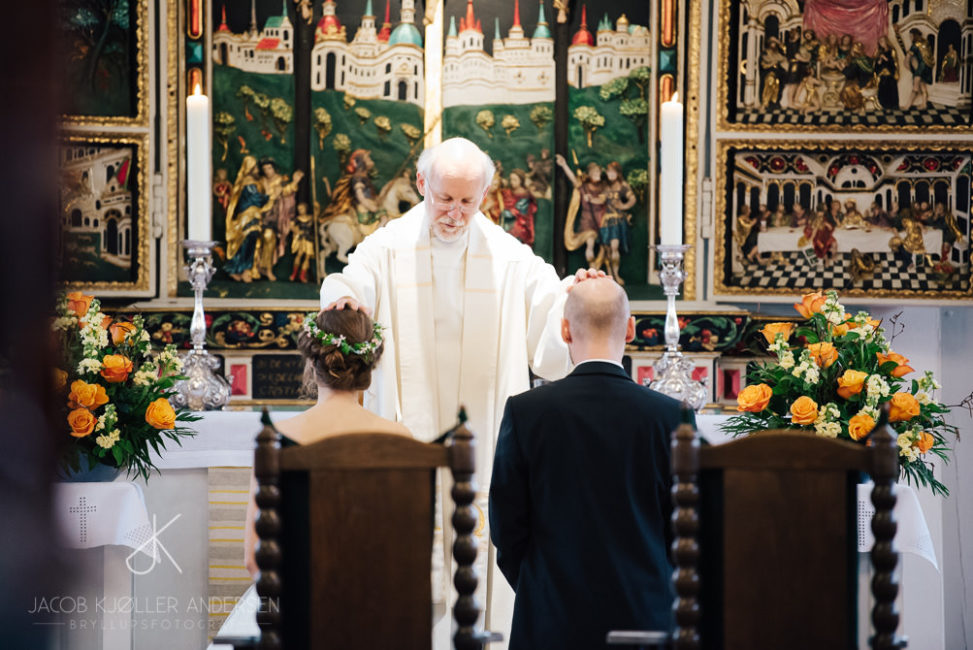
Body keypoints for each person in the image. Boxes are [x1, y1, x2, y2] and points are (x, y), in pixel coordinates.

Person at [319, 136, 602, 648]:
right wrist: (344, 298)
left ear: (484, 196)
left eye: (467, 202)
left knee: (479, 565)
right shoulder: (387, 247)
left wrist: (573, 295)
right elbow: (348, 283)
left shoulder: (509, 257)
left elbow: (552, 309)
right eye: (444, 199)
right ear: (422, 184)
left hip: (485, 444)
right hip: (409, 441)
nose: (454, 213)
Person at [489, 277, 684, 649]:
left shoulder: (526, 412)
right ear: (630, 329)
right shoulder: (671, 417)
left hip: (549, 620)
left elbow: (507, 527)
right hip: (643, 618)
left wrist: (539, 587)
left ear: (564, 330)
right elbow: (688, 530)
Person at [225, 307, 410, 644]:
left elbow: (254, 558)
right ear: (370, 366)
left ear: (312, 363)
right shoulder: (400, 438)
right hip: (379, 622)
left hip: (296, 623)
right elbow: (406, 555)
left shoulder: (276, 439)